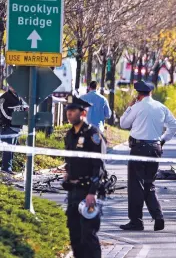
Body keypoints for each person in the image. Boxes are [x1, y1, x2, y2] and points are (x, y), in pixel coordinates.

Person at [119, 80, 176, 231]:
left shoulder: (137, 106)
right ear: (151, 92)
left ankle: (136, 221)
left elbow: (123, 124)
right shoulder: (161, 107)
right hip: (155, 148)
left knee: (135, 186)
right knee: (149, 183)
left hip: (139, 148)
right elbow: (174, 126)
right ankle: (158, 216)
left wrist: (129, 107)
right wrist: (163, 140)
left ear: (138, 94)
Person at [62, 94, 105, 258]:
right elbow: (70, 161)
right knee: (75, 237)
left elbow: (98, 166)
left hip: (88, 192)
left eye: (73, 110)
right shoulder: (69, 135)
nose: (69, 113)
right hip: (73, 192)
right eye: (68, 110)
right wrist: (67, 174)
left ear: (83, 113)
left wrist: (92, 192)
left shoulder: (93, 135)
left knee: (89, 235)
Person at [0, 86, 25, 174]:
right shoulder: (5, 97)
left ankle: (8, 168)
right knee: (8, 149)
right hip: (8, 127)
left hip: (16, 128)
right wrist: (13, 119)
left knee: (12, 149)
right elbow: (3, 112)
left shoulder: (19, 97)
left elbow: (20, 110)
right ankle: (6, 168)